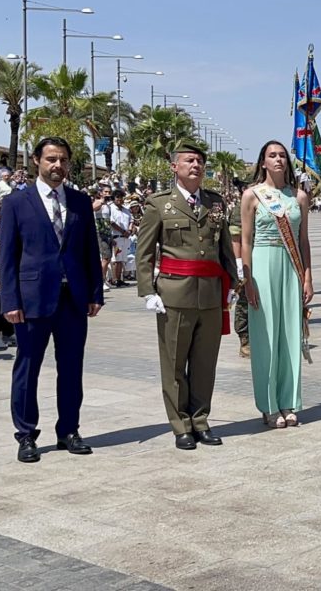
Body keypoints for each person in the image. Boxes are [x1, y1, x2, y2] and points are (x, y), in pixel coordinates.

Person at [0, 136, 104, 463]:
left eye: (62, 160)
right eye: (51, 160)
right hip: (32, 300)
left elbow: (90, 249)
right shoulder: (17, 203)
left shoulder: (80, 202)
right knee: (27, 368)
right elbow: (7, 256)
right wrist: (9, 301)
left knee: (71, 367)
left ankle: (69, 430)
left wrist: (95, 293)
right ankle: (26, 434)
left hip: (72, 298)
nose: (57, 166)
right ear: (36, 161)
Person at [136, 142, 237, 450]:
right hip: (175, 293)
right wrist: (147, 291)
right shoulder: (159, 204)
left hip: (209, 294)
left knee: (205, 363)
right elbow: (144, 252)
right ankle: (181, 425)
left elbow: (224, 249)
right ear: (174, 167)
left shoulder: (215, 203)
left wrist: (232, 282)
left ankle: (201, 420)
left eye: (200, 161)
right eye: (189, 160)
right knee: (175, 363)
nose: (196, 165)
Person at [240, 140, 312, 429]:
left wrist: (308, 276)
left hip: (291, 267)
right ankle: (269, 405)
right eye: (272, 155)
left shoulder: (299, 197)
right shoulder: (251, 196)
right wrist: (247, 280)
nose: (279, 160)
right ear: (263, 162)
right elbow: (245, 240)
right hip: (262, 265)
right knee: (266, 337)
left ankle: (289, 401)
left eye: (282, 155)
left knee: (291, 335)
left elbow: (303, 240)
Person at [228, 179, 250, 359]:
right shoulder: (239, 209)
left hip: (261, 259)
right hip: (244, 262)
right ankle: (245, 340)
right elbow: (236, 240)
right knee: (243, 301)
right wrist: (238, 264)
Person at [91, 185, 114, 292]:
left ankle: (103, 279)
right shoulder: (98, 202)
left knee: (108, 258)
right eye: (105, 191)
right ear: (101, 193)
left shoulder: (109, 205)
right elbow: (92, 209)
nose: (107, 193)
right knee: (106, 257)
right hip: (99, 232)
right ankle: (100, 280)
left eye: (109, 192)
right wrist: (102, 201)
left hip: (107, 233)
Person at [108, 189, 132, 287]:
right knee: (116, 259)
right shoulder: (111, 208)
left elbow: (131, 220)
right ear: (114, 198)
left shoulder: (126, 209)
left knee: (122, 259)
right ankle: (114, 279)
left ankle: (119, 278)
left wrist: (129, 230)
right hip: (116, 237)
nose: (120, 199)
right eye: (118, 197)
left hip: (125, 237)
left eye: (121, 197)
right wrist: (123, 231)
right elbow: (111, 222)